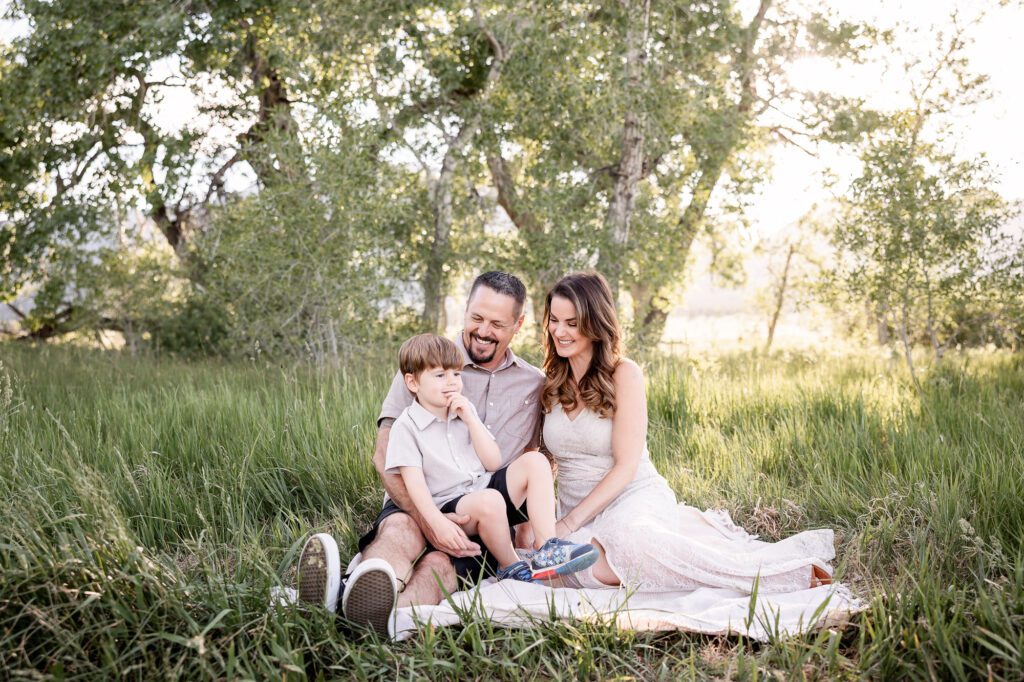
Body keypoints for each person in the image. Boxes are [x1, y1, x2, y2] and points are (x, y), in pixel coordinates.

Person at [540, 271, 835, 593]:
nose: (559, 331)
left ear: (595, 324)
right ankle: (593, 561)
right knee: (570, 562)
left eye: (571, 323)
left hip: (631, 498)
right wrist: (544, 518)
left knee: (629, 542)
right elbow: (540, 462)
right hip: (574, 507)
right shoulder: (550, 381)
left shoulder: (624, 374)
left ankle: (772, 578)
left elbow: (626, 468)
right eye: (554, 320)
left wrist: (567, 525)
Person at [295, 271, 548, 635]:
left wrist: (523, 533)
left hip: (484, 512)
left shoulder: (533, 383)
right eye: (476, 318)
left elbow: (531, 461)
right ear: (465, 310)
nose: (483, 330)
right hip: (416, 499)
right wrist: (431, 521)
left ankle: (367, 618)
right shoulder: (425, 362)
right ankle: (349, 594)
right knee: (401, 529)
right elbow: (384, 457)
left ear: (518, 324)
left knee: (439, 567)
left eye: (496, 323)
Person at [384, 333, 598, 585]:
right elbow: (415, 485)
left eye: (456, 374)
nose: (451, 382)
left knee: (536, 462)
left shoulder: (464, 410)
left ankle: (546, 548)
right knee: (490, 500)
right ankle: (510, 566)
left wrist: (471, 420)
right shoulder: (406, 426)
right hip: (450, 506)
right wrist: (436, 523)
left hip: (483, 488)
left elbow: (492, 463)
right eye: (440, 375)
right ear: (412, 382)